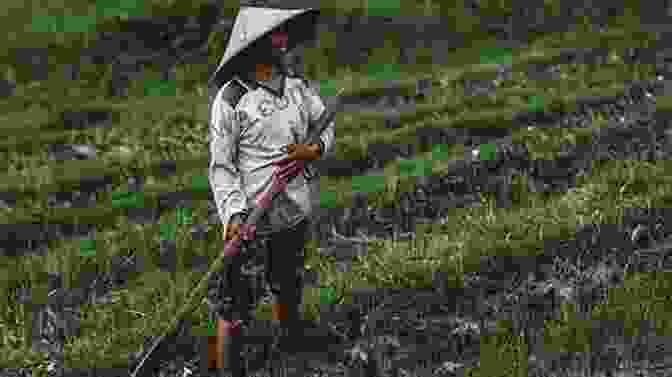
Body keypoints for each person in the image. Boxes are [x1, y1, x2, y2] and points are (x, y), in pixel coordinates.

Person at [206, 4, 334, 376]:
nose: (280, 40)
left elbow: (324, 126)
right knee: (235, 303)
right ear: (251, 44)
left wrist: (314, 149)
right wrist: (234, 215)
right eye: (271, 34)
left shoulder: (297, 86)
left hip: (292, 208)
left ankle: (292, 346)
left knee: (288, 282)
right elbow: (222, 167)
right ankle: (231, 369)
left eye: (282, 33)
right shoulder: (232, 98)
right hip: (250, 220)